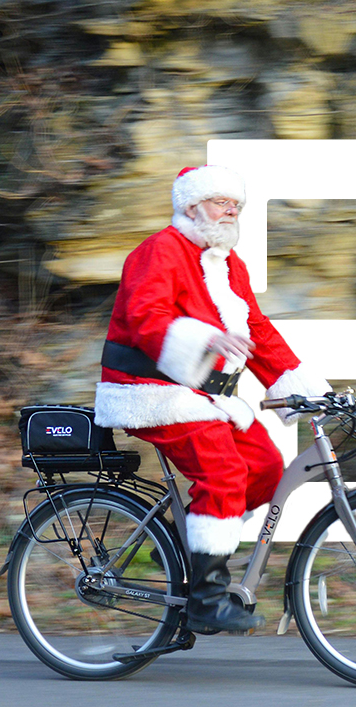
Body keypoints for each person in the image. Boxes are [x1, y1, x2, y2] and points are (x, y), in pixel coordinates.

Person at [94, 165, 329, 634]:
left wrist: (305, 389)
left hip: (201, 397)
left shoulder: (227, 265)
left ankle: (199, 556)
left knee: (262, 465)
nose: (232, 211)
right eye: (222, 201)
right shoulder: (158, 250)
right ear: (192, 204)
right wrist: (202, 340)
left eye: (236, 205)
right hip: (149, 393)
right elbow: (146, 317)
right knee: (222, 472)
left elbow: (257, 331)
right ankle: (204, 600)